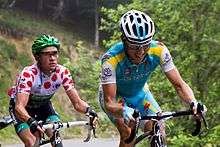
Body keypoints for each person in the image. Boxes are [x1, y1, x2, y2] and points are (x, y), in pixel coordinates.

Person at [99, 10, 206, 147]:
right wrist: (124, 110)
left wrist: (193, 103)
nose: (141, 52)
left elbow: (179, 85)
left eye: (145, 45)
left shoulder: (159, 50)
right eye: (134, 46)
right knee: (127, 133)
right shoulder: (111, 60)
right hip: (116, 99)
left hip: (140, 95)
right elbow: (109, 102)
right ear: (123, 40)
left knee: (158, 127)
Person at [7, 34, 98, 147]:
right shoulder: (28, 74)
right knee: (32, 142)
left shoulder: (62, 72)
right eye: (47, 54)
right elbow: (19, 107)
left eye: (55, 53)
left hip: (43, 106)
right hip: (22, 110)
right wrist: (30, 122)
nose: (52, 58)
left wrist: (90, 111)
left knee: (55, 135)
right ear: (37, 57)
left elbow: (78, 103)